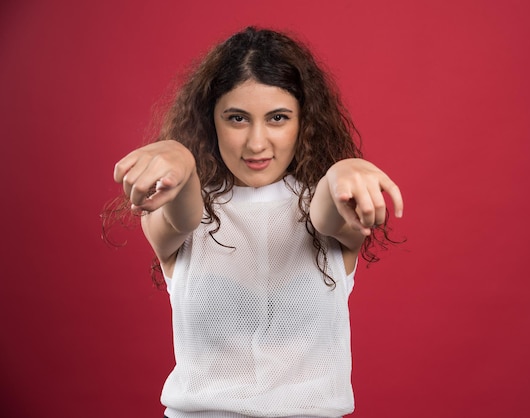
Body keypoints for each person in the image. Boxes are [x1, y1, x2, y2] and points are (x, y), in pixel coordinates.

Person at [109, 26, 403, 418]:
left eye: (278, 118)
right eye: (237, 119)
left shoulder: (331, 205)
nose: (257, 143)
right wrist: (178, 155)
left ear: (304, 121)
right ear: (210, 120)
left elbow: (327, 209)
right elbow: (185, 209)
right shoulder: (181, 203)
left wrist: (344, 171)